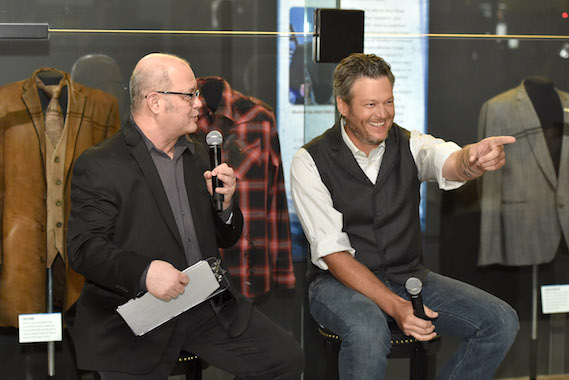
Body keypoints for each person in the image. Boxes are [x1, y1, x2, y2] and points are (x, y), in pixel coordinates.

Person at [66, 53, 304, 380]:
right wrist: (145, 272)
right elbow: (85, 249)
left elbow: (226, 237)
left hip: (206, 304)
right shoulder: (100, 164)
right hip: (136, 313)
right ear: (155, 102)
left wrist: (227, 206)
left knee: (286, 358)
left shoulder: (199, 154)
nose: (199, 103)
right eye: (190, 94)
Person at [290, 53, 519, 380]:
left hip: (407, 275)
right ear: (343, 106)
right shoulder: (309, 161)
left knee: (500, 322)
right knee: (369, 330)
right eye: (370, 105)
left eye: (388, 102)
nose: (382, 114)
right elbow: (333, 254)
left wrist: (472, 160)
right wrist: (395, 306)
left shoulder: (411, 144)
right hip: (336, 284)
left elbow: (449, 160)